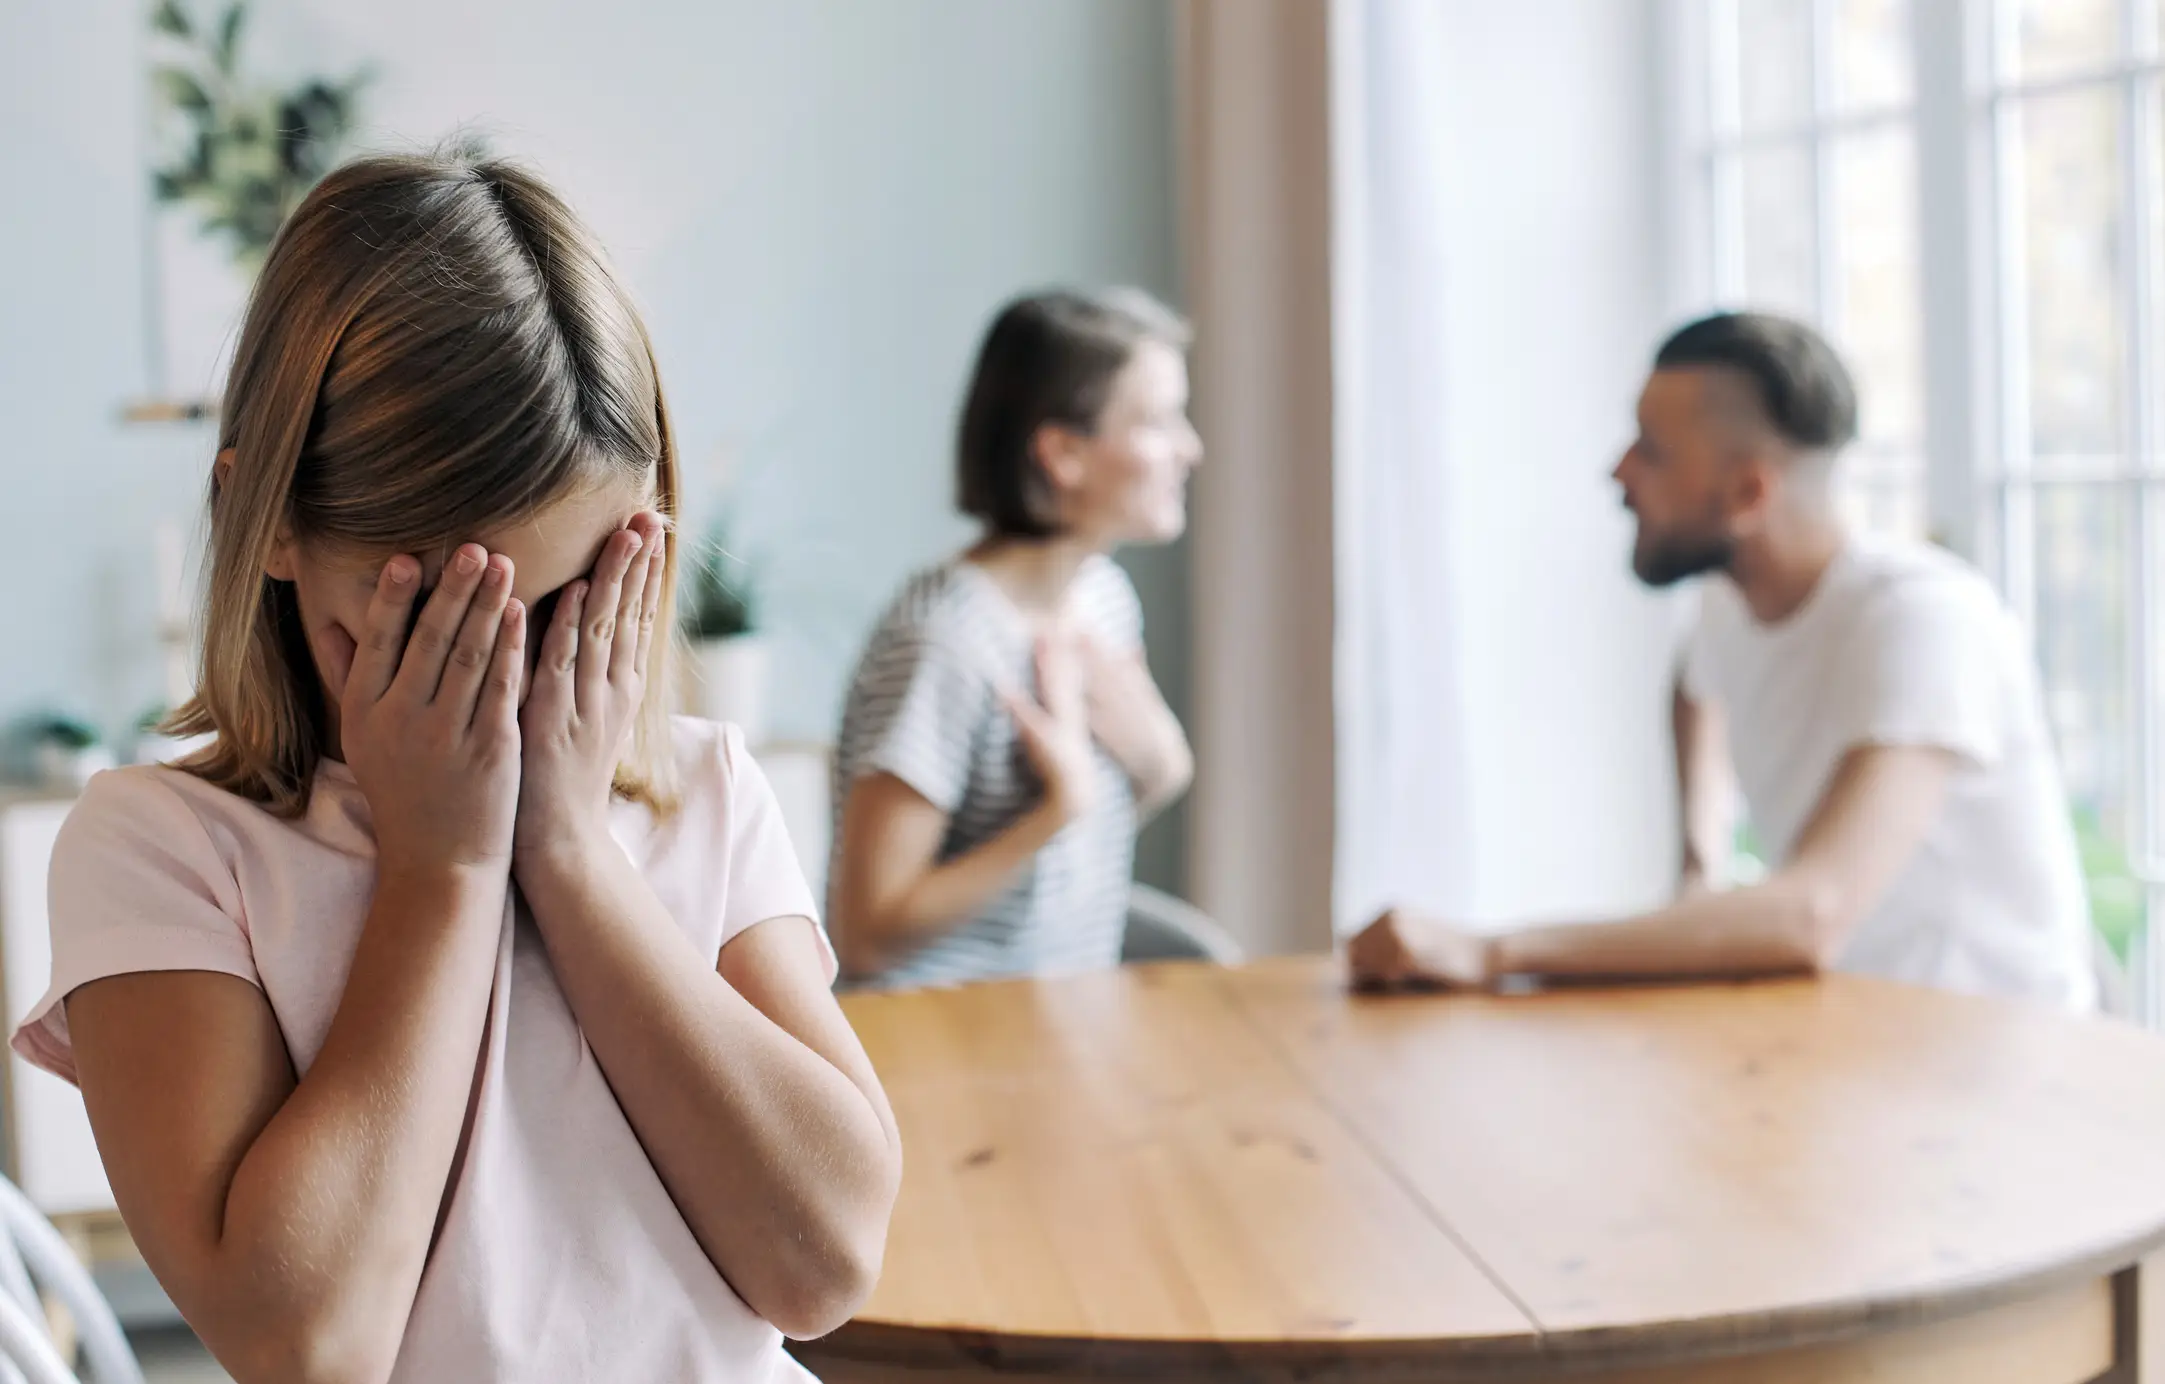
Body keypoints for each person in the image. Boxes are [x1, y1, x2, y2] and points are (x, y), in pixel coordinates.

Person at [11, 150, 901, 1382]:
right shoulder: (160, 849)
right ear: (268, 520)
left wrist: (572, 853)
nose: (525, 683)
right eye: (458, 621)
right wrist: (445, 866)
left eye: (580, 604)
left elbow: (825, 1261)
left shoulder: (701, 791)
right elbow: (306, 1342)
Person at [1350, 311, 2096, 1011]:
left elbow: (1811, 913)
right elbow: (1691, 685)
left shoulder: (1925, 621)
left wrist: (1489, 953)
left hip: (1998, 1072)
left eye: (1650, 450)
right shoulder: (1729, 599)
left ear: (1747, 492)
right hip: (1853, 1038)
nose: (1618, 474)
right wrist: (1698, 862)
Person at [826, 289, 1199, 988]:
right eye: (1157, 420)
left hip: (1057, 1030)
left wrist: (1161, 767)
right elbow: (865, 937)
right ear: (1062, 452)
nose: (1190, 448)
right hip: (938, 1053)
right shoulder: (942, 644)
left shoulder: (1104, 601)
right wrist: (1058, 808)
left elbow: (1072, 859)